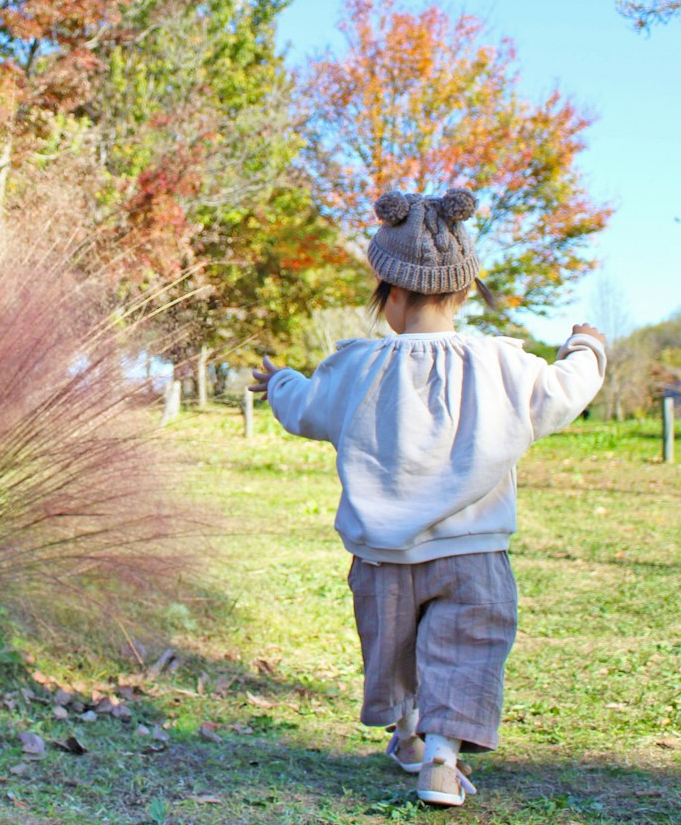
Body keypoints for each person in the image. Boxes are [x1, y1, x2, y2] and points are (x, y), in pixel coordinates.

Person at [249, 187, 605, 808]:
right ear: (464, 291)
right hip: (473, 553)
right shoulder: (501, 364)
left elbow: (304, 408)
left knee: (395, 656)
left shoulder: (355, 367)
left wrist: (278, 380)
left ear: (388, 294)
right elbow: (564, 391)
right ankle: (440, 757)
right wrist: (586, 347)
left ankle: (408, 733)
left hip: (384, 557)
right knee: (465, 650)